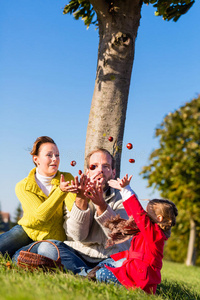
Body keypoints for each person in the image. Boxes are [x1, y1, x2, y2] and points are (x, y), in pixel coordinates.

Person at [12, 148, 133, 273]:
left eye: (106, 166)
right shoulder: (75, 193)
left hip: (110, 257)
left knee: (126, 263)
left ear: (113, 173)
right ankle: (92, 274)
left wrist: (101, 205)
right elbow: (77, 235)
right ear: (87, 172)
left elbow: (119, 235)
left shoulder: (124, 197)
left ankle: (85, 273)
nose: (100, 170)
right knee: (47, 247)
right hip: (77, 254)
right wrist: (81, 199)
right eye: (94, 166)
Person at [82, 175, 178, 295]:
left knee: (101, 274)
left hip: (138, 279)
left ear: (159, 218)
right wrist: (123, 191)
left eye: (148, 212)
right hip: (135, 271)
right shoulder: (150, 231)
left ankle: (89, 276)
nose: (145, 214)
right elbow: (135, 215)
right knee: (104, 264)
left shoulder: (154, 233)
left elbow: (139, 215)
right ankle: (87, 274)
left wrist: (127, 189)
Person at [0, 136, 76, 257]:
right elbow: (40, 215)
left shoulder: (67, 178)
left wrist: (82, 194)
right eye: (49, 155)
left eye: (57, 155)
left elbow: (74, 209)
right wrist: (61, 191)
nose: (54, 159)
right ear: (36, 159)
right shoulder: (23, 186)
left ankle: (15, 255)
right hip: (26, 231)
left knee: (18, 258)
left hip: (51, 237)